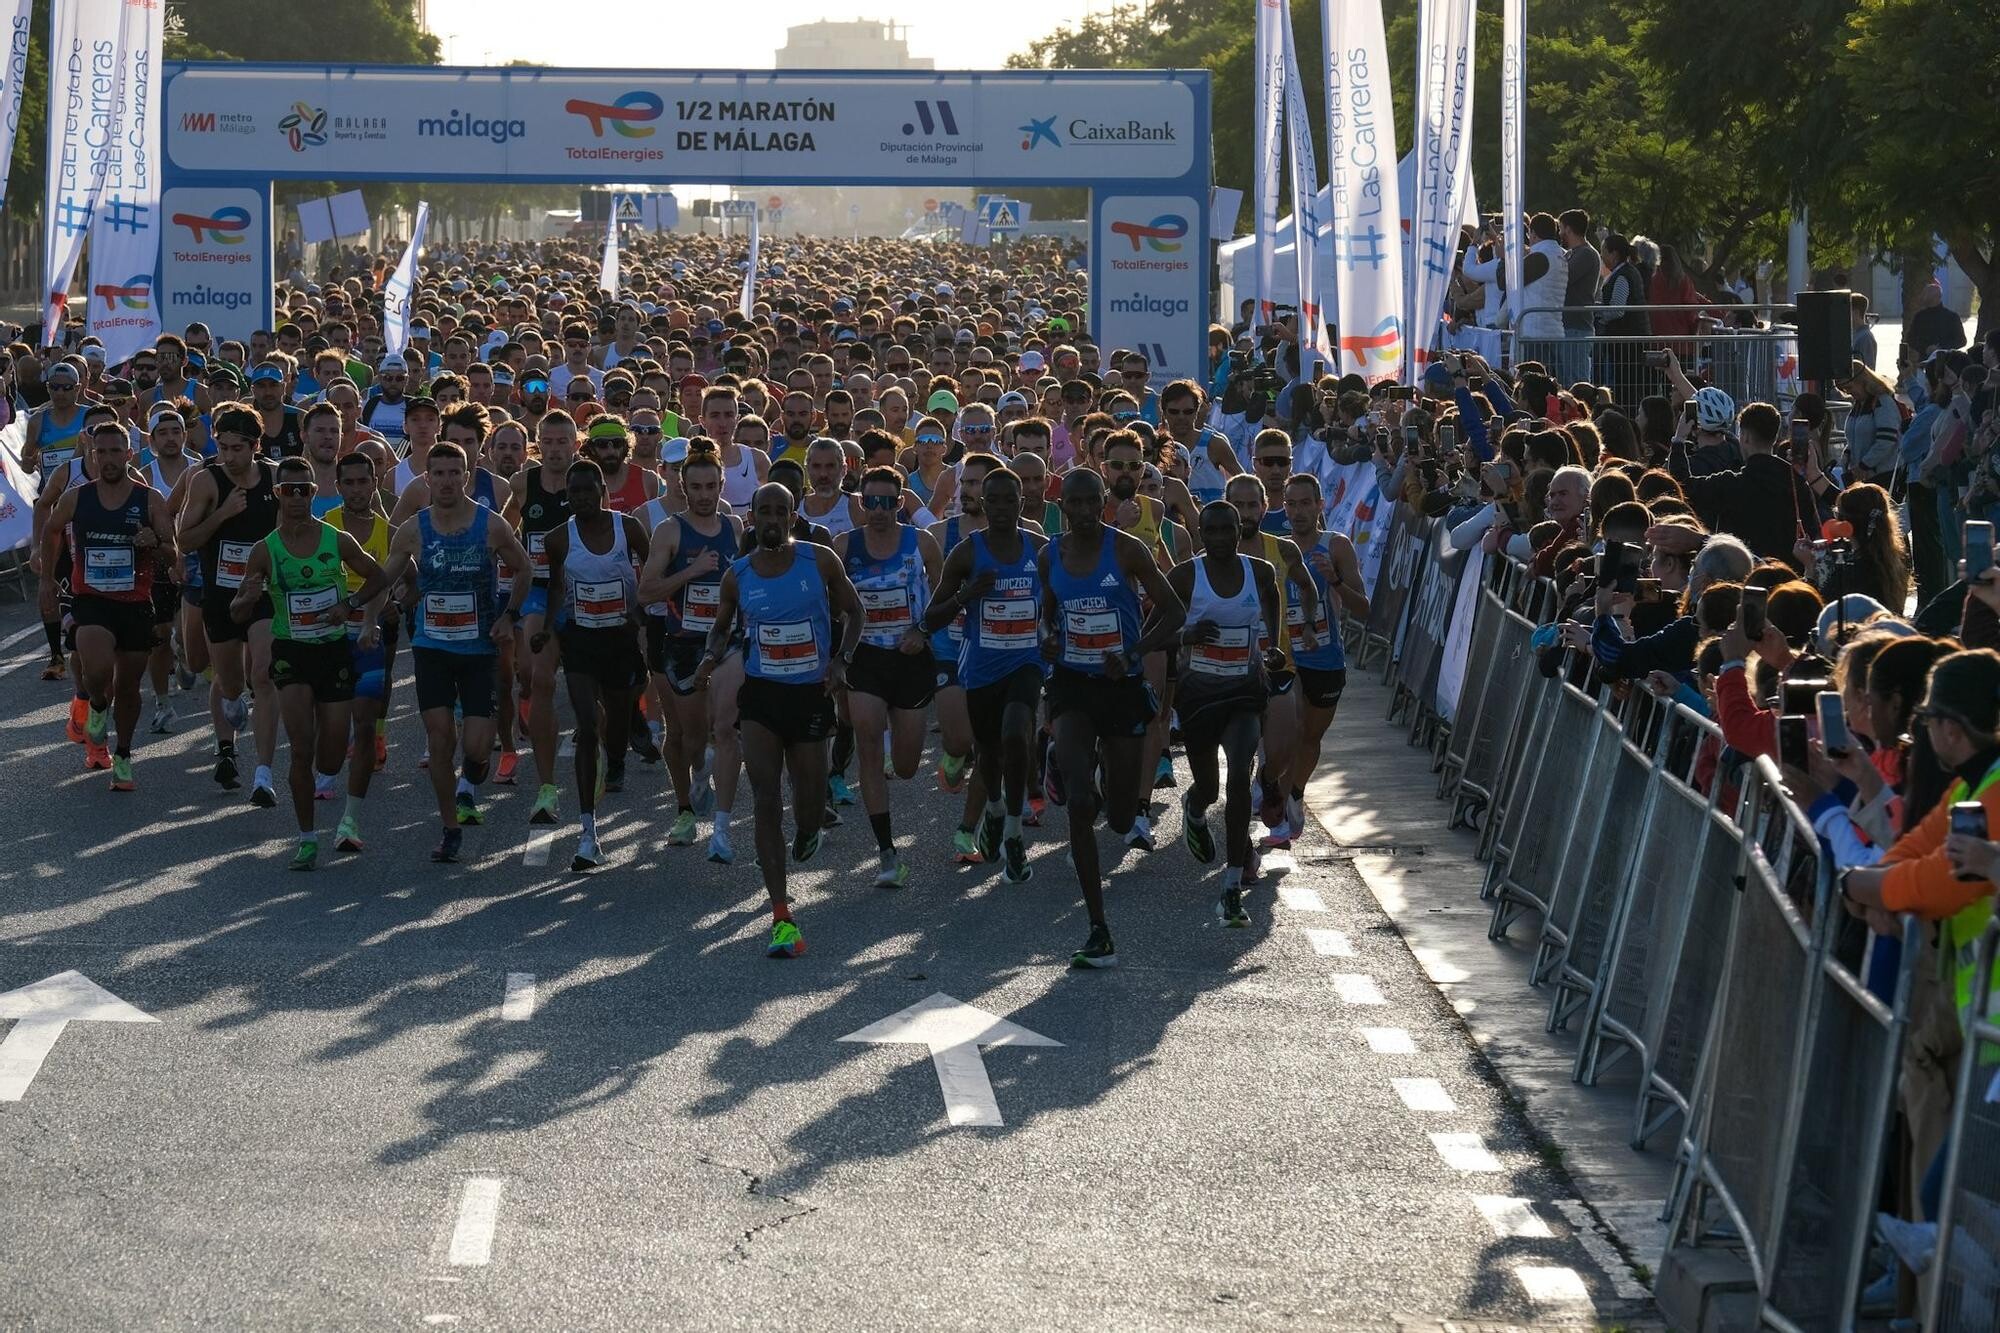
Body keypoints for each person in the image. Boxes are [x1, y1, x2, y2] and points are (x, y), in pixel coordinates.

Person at [692, 483, 863, 960]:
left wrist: (842, 660)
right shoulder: (738, 574)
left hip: (810, 697)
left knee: (808, 806)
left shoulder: (819, 560)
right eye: (763, 511)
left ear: (792, 516)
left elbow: (855, 612)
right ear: (752, 518)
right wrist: (709, 657)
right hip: (762, 698)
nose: (771, 519)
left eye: (779, 511)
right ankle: (781, 915)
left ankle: (808, 829)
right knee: (766, 798)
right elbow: (721, 627)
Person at [1039, 468, 1187, 968]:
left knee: (1121, 818)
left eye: (1090, 502)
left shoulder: (1127, 549)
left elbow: (1174, 611)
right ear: (1062, 506)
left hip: (1121, 686)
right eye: (1073, 503)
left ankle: (1100, 781)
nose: (1082, 511)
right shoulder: (1050, 555)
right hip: (1072, 686)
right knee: (1080, 803)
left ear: (1103, 501)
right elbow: (1046, 617)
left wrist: (1133, 653)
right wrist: (1049, 639)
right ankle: (1097, 928)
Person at [228, 458, 387, 869]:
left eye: (304, 489)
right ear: (277, 494)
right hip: (292, 653)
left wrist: (349, 605)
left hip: (332, 652)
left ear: (315, 493)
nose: (297, 497)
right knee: (301, 748)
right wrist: (247, 598)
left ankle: (325, 779)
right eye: (289, 490)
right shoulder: (265, 550)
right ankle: (307, 838)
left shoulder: (337, 540)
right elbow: (237, 612)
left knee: (329, 757)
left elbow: (379, 577)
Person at [385, 442, 534, 862]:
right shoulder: (413, 529)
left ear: (466, 478)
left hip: (478, 649)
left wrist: (510, 615)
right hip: (431, 646)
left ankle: (476, 769)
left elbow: (524, 567)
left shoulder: (490, 525)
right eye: (440, 473)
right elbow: (386, 575)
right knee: (439, 740)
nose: (447, 481)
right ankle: (450, 827)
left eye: (455, 473)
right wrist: (362, 608)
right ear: (427, 479)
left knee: (475, 748)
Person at [923, 465, 1047, 883]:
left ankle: (1013, 830)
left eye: (1010, 500)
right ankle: (994, 807)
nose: (1001, 508)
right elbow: (933, 617)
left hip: (1026, 663)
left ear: (1021, 503)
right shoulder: (967, 553)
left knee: (1017, 732)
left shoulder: (1040, 549)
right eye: (993, 500)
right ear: (982, 503)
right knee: (989, 751)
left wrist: (1054, 635)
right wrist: (967, 595)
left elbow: (1060, 598)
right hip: (980, 667)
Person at [38, 423, 178, 791]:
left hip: (135, 603)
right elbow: (52, 529)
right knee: (98, 670)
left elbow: (173, 553)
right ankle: (98, 704)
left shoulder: (149, 499)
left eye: (116, 451)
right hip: (92, 600)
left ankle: (124, 755)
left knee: (129, 687)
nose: (109, 459)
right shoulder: (77, 497)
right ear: (92, 455)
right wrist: (46, 580)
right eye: (101, 452)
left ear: (129, 454)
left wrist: (155, 541)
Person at [1168, 501, 1287, 925]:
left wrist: (1272, 646)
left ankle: (1232, 885)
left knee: (1239, 775)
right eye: (1211, 530)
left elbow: (1271, 599)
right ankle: (1194, 807)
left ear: (1240, 530)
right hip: (1198, 697)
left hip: (1244, 693)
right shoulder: (1185, 576)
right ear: (1200, 534)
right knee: (1209, 788)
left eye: (1227, 529)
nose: (1220, 538)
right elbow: (1155, 631)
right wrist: (1187, 635)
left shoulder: (1260, 572)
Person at [835, 466, 944, 887]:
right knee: (867, 743)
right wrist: (839, 652)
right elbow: (832, 604)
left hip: (909, 659)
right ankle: (886, 852)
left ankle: (911, 762)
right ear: (861, 504)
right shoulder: (845, 546)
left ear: (900, 503)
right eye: (870, 502)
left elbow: (943, 597)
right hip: (866, 658)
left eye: (886, 502)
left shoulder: (923, 543)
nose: (878, 510)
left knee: (907, 765)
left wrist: (923, 632)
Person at [542, 459, 650, 871]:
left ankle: (619, 752)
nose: (582, 498)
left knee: (615, 729)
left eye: (589, 490)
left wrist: (639, 613)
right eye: (575, 492)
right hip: (581, 642)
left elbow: (653, 571)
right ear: (566, 496)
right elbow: (555, 588)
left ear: (603, 491)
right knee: (587, 727)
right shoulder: (558, 539)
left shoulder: (629, 529)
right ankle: (588, 832)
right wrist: (548, 629)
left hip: (621, 642)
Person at [177, 404, 282, 804]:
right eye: (222, 447)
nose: (229, 456)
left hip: (263, 592)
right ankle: (226, 745)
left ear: (256, 446)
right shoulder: (206, 480)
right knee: (230, 682)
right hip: (220, 595)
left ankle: (263, 774)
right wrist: (222, 513)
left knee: (263, 673)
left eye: (238, 448)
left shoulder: (275, 477)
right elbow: (184, 540)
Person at [504, 409, 578, 826]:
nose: (554, 450)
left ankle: (602, 744)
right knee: (537, 676)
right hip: (537, 591)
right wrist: (513, 562)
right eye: (547, 442)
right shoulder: (523, 483)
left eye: (562, 441)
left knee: (590, 692)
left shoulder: (586, 483)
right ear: (538, 445)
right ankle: (546, 786)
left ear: (574, 444)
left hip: (576, 593)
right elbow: (504, 531)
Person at [323, 451, 396, 852]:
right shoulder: (325, 528)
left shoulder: (389, 531)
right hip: (327, 642)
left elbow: (405, 579)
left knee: (365, 725)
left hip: (368, 641)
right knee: (330, 737)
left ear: (374, 483)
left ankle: (350, 820)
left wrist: (393, 605)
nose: (356, 490)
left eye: (363, 481)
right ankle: (327, 769)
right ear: (338, 487)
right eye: (348, 483)